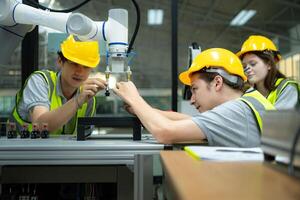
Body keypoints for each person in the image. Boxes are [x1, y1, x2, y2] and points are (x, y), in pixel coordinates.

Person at [113, 48, 275, 147]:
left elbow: (165, 132)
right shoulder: (247, 102)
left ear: (217, 82)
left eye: (195, 89)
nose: (191, 99)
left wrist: (135, 98)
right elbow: (187, 119)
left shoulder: (236, 111)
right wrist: (143, 110)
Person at [11, 35, 107, 134]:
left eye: (86, 66)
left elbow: (85, 139)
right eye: (74, 63)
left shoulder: (88, 97)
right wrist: (77, 101)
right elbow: (40, 127)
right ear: (60, 61)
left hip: (65, 150)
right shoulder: (40, 81)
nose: (80, 72)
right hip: (22, 148)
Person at [237, 35, 299, 110]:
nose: (247, 69)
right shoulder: (248, 92)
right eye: (244, 66)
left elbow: (278, 120)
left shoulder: (287, 88)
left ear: (269, 64)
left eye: (253, 64)